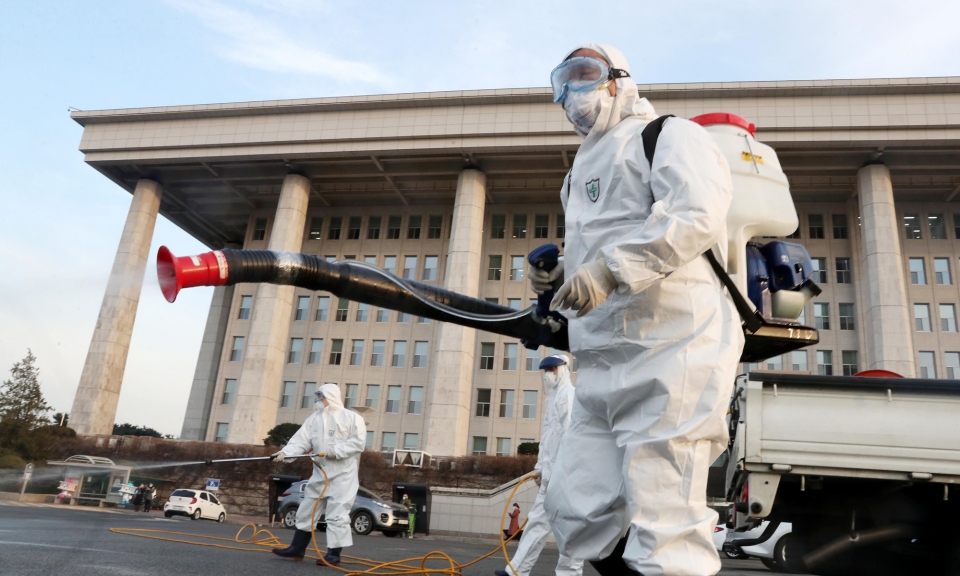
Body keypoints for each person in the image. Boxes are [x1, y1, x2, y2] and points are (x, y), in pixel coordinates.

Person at [536, 43, 744, 576]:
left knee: (664, 522)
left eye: (584, 75)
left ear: (618, 79)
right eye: (562, 81)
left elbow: (694, 214)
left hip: (674, 353)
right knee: (576, 512)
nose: (571, 93)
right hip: (603, 362)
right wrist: (559, 277)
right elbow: (594, 250)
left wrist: (610, 270)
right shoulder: (576, 173)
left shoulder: (669, 135)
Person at [495, 355, 583, 576]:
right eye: (545, 370)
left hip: (566, 478)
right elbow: (548, 440)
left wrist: (562, 472)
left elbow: (572, 438)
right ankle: (516, 571)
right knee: (536, 523)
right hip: (550, 478)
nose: (548, 374)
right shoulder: (552, 400)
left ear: (563, 369)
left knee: (569, 530)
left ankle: (568, 574)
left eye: (552, 369)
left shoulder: (568, 396)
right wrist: (540, 468)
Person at [270, 383, 366, 567]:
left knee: (337, 514)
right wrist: (285, 453)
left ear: (331, 396)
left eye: (321, 396)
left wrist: (336, 450)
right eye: (317, 396)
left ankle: (333, 555)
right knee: (307, 509)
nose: (318, 400)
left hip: (342, 476)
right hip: (320, 473)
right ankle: (297, 548)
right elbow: (300, 441)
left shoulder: (352, 418)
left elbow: (358, 443)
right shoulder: (314, 419)